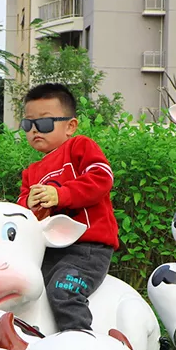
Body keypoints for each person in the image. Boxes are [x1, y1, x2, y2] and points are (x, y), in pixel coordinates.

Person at [17, 82, 119, 332]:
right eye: (28, 124)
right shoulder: (31, 172)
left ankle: (79, 340)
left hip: (87, 249)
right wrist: (26, 205)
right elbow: (20, 211)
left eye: (43, 123)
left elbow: (102, 177)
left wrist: (61, 194)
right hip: (49, 252)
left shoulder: (79, 147)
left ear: (70, 126)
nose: (34, 130)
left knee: (64, 290)